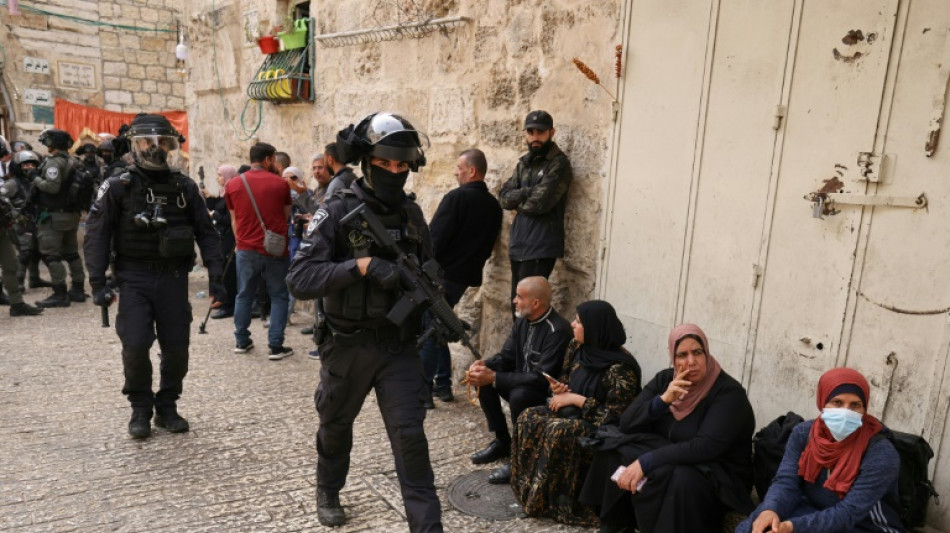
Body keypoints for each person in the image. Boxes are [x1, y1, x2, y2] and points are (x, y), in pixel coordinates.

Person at [286, 112, 443, 531]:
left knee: (411, 440)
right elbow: (299, 278)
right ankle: (328, 488)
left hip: (398, 346)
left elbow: (428, 268)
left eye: (402, 165)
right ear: (368, 162)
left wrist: (436, 309)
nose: (395, 172)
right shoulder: (336, 210)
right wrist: (360, 267)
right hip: (348, 345)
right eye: (386, 163)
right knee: (336, 426)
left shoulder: (412, 214)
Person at [83, 114, 225, 438]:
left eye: (163, 143)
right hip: (133, 279)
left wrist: (217, 277)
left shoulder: (185, 187)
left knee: (177, 348)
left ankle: (167, 406)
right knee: (134, 345)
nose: (155, 149)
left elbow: (207, 233)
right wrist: (97, 281)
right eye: (148, 142)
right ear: (135, 145)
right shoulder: (118, 186)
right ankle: (140, 408)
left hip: (174, 279)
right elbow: (97, 234)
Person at [579, 324, 755, 533]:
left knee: (680, 478)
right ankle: (616, 525)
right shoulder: (666, 380)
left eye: (697, 352)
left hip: (718, 473)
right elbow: (627, 422)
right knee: (617, 448)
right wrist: (662, 401)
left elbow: (705, 447)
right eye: (682, 355)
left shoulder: (729, 394)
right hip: (674, 453)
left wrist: (646, 462)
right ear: (673, 357)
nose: (691, 362)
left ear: (706, 353)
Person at [511, 300, 640, 526]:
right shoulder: (577, 348)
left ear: (594, 328)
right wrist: (559, 387)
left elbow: (618, 417)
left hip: (601, 427)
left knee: (557, 431)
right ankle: (528, 488)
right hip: (572, 411)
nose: (572, 324)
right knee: (527, 416)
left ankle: (555, 502)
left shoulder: (621, 369)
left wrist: (578, 400)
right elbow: (566, 377)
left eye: (578, 322)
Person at [737, 368, 903, 533]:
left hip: (864, 525)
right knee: (753, 526)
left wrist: (791, 527)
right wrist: (770, 509)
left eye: (855, 405)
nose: (846, 412)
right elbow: (787, 482)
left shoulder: (880, 453)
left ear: (864, 408)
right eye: (837, 402)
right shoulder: (804, 434)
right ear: (823, 402)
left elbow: (848, 513)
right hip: (814, 510)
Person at [465, 276, 573, 484]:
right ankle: (502, 441)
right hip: (521, 383)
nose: (514, 300)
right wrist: (484, 366)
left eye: (519, 296)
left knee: (518, 395)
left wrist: (496, 376)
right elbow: (506, 356)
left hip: (543, 393)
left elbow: (542, 378)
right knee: (482, 380)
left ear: (536, 303)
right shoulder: (522, 321)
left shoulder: (557, 330)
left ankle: (521, 456)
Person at [419, 148, 502, 407]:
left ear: (472, 171)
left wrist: (423, 265)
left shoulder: (456, 198)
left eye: (459, 167)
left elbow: (435, 239)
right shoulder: (493, 206)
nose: (456, 172)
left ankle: (423, 392)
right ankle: (442, 385)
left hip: (442, 275)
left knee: (431, 329)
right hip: (463, 276)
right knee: (440, 325)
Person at [498, 110, 573, 315]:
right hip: (519, 244)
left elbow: (539, 204)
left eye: (540, 132)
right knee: (517, 308)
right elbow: (503, 198)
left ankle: (531, 348)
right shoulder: (524, 163)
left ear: (551, 132)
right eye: (530, 132)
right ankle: (520, 347)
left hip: (541, 245)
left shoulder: (558, 163)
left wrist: (519, 202)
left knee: (530, 310)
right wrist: (527, 191)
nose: (535, 137)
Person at [225, 142, 294, 360]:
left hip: (245, 247)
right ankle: (275, 346)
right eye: (273, 159)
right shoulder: (281, 184)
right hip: (274, 249)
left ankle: (242, 340)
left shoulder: (233, 185)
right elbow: (285, 216)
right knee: (279, 296)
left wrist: (241, 241)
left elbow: (234, 220)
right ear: (268, 160)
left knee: (244, 294)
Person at [32, 129, 89, 307]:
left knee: (51, 255)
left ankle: (60, 293)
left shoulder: (54, 163)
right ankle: (78, 289)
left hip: (54, 216)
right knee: (72, 253)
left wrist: (34, 178)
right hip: (71, 215)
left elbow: (52, 187)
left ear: (53, 144)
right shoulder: (74, 161)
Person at [6, 150, 52, 294]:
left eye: (32, 164)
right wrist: (15, 215)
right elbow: (2, 200)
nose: (29, 167)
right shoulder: (12, 184)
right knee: (25, 252)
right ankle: (19, 282)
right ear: (18, 166)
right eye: (26, 164)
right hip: (19, 223)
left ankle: (34, 279)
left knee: (37, 251)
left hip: (35, 222)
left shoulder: (34, 181)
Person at [0, 171, 44, 316]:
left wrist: (16, 216)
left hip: (2, 232)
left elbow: (5, 204)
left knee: (11, 266)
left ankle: (17, 303)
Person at [207, 164, 238, 319]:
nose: (217, 177)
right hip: (222, 237)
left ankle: (228, 305)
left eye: (220, 174)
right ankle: (223, 300)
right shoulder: (223, 193)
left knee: (228, 272)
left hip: (230, 238)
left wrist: (214, 215)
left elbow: (228, 218)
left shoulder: (231, 194)